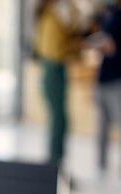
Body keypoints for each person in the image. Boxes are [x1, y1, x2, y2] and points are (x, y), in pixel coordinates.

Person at [35, 0, 85, 167]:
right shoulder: (51, 19)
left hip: (55, 71)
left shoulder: (53, 17)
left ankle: (57, 165)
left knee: (60, 121)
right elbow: (57, 50)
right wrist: (78, 46)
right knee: (59, 122)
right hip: (53, 72)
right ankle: (55, 166)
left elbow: (70, 31)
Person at [87, 0, 121, 177]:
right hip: (102, 80)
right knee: (101, 129)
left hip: (116, 82)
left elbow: (108, 46)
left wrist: (92, 44)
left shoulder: (117, 17)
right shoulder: (109, 15)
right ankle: (100, 167)